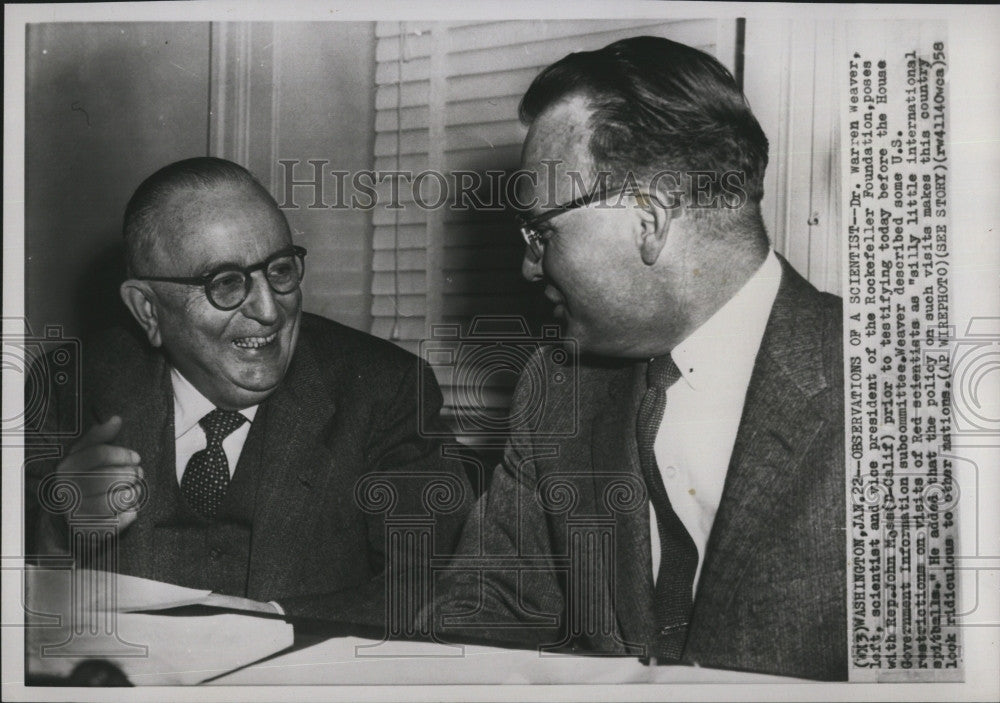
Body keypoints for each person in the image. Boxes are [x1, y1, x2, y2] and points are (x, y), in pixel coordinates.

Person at [431, 36, 845, 680]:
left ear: (648, 222)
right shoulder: (556, 386)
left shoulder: (891, 390)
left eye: (541, 232)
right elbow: (485, 616)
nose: (527, 265)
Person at [26, 157, 471, 624]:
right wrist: (61, 529)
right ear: (148, 311)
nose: (269, 311)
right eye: (225, 283)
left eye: (279, 270)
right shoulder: (69, 385)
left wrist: (270, 624)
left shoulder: (385, 391)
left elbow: (434, 585)